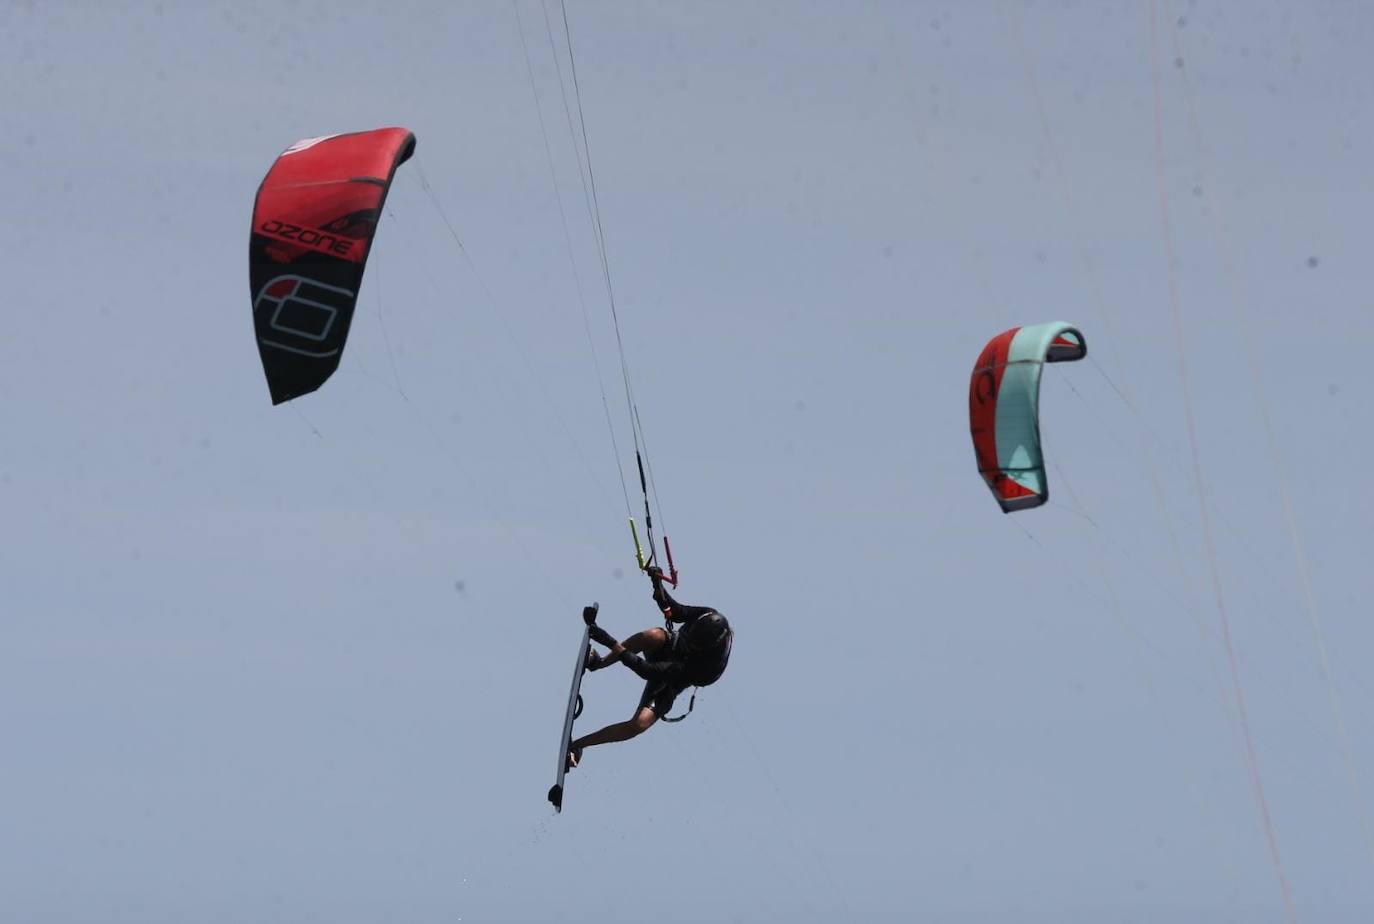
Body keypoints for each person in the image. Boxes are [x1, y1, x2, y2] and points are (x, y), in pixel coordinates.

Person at [567, 565, 732, 770]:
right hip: (667, 647)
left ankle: (577, 747)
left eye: (694, 645)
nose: (689, 642)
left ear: (707, 648)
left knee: (639, 724)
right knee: (656, 635)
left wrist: (609, 640)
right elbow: (676, 612)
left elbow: (646, 670)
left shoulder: (704, 669)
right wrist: (657, 584)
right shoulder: (707, 615)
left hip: (671, 680)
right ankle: (598, 663)